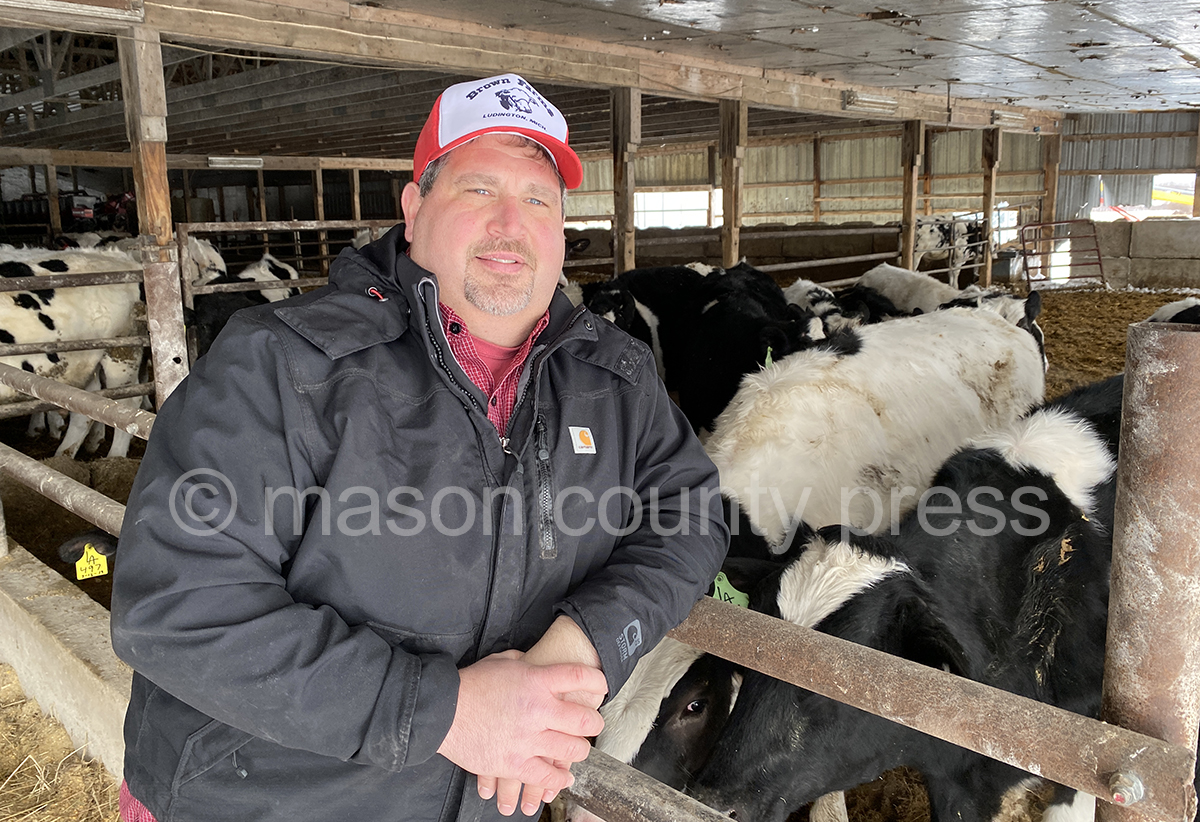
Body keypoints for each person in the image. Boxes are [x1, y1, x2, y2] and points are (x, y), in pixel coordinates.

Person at [110, 72, 729, 822]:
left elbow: (692, 513)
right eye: (479, 189)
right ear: (414, 209)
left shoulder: (615, 377)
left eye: (539, 199)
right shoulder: (282, 365)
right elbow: (180, 606)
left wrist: (588, 638)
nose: (511, 222)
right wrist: (447, 712)